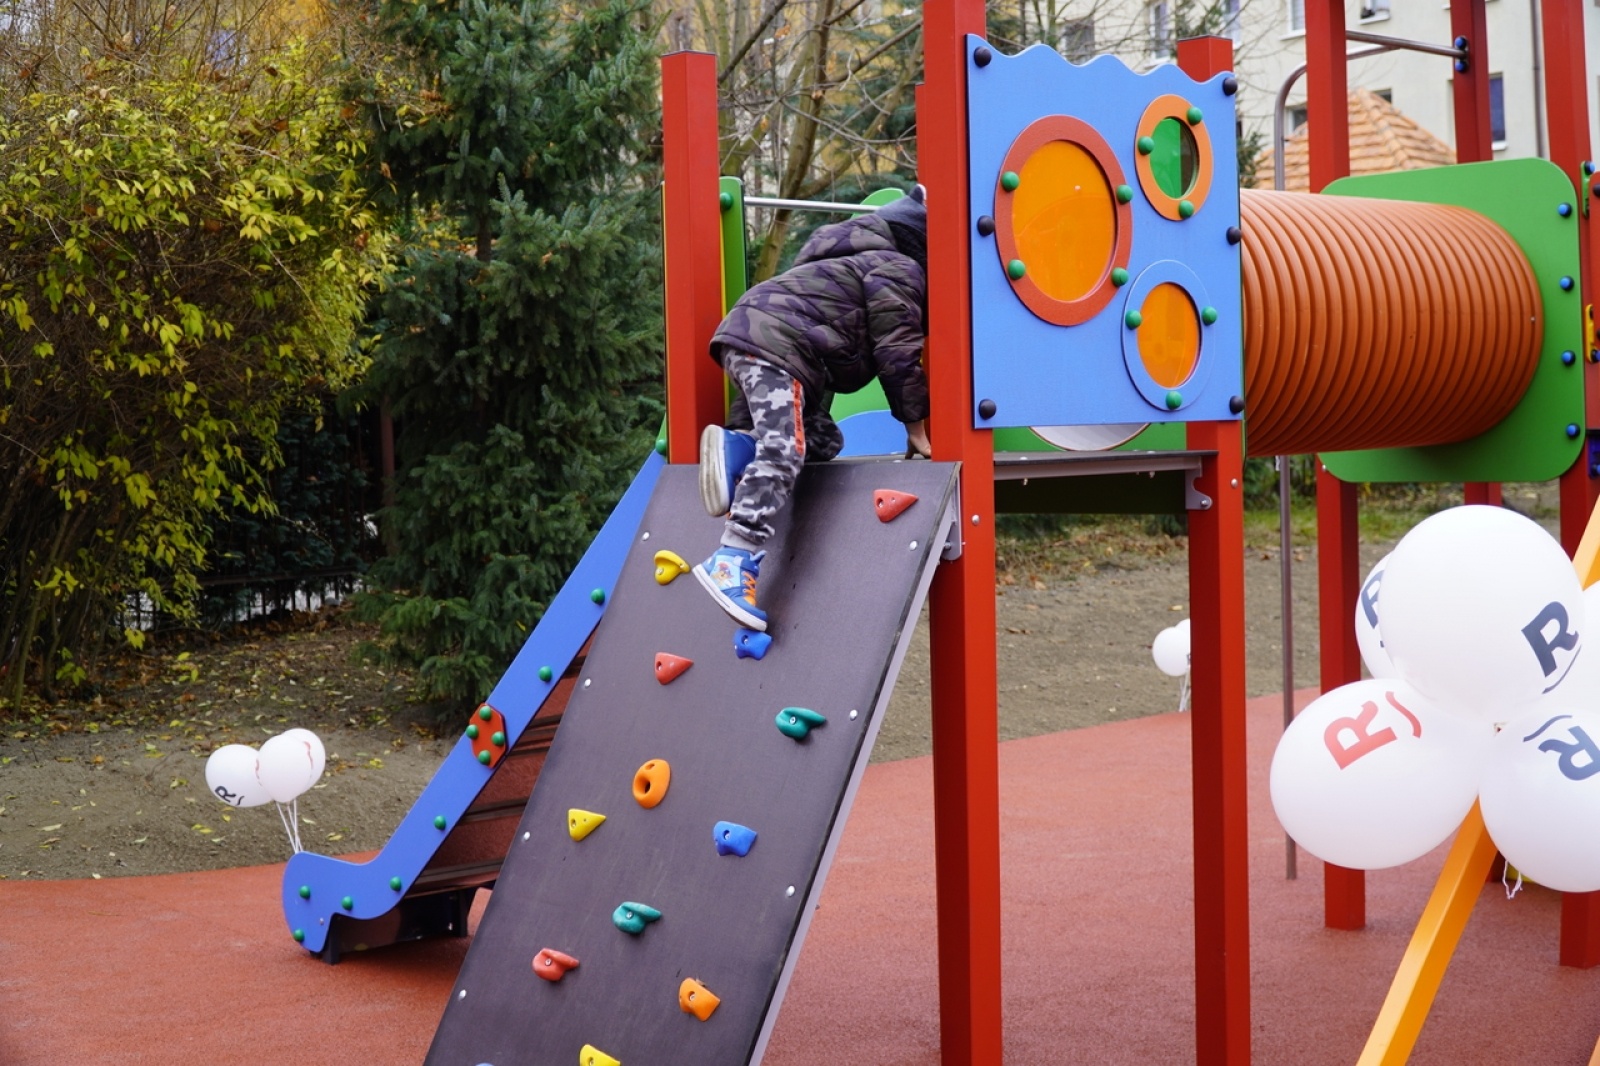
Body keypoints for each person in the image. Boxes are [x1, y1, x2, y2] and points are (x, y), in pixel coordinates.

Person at [693, 187, 933, 632]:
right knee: (784, 449)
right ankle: (732, 557)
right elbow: (897, 351)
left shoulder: (849, 261)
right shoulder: (897, 268)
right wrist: (916, 427)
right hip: (775, 347)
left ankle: (739, 447)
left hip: (759, 338)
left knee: (821, 441)